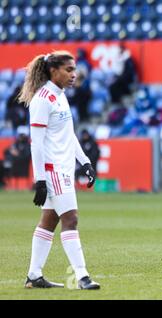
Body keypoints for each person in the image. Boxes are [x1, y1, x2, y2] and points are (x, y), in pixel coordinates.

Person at [18, 51, 100, 289]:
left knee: (49, 220)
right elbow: (37, 142)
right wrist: (40, 180)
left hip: (63, 168)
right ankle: (83, 277)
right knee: (71, 219)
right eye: (69, 70)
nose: (74, 75)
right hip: (53, 171)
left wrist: (85, 162)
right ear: (53, 71)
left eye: (74, 70)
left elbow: (67, 135)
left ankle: (34, 275)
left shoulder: (60, 95)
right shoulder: (42, 100)